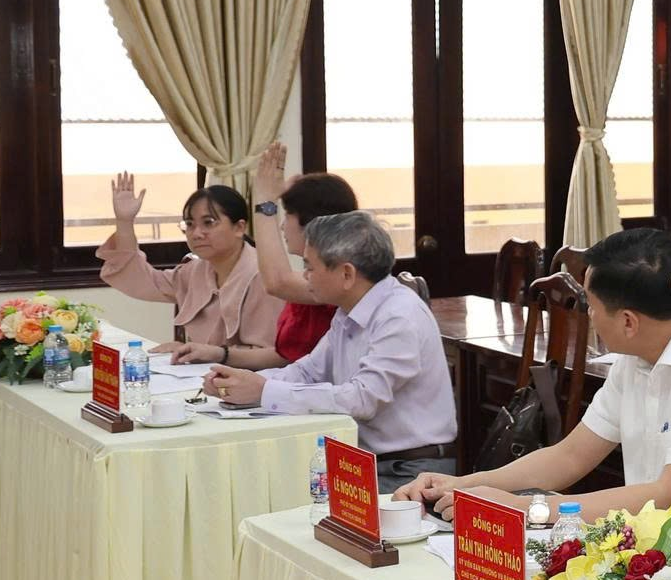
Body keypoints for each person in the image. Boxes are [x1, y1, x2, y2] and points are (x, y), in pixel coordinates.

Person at [391, 228, 671, 532]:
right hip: (649, 552)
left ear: (628, 321)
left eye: (591, 307)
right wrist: (464, 484)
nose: (589, 317)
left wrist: (524, 508)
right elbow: (571, 455)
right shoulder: (634, 357)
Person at [200, 210, 456, 492]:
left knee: (280, 496)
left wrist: (264, 391)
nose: (305, 276)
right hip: (368, 461)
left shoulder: (399, 316)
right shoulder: (350, 309)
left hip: (409, 471)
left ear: (346, 274)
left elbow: (363, 399)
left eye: (310, 267)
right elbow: (308, 371)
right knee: (264, 484)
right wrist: (243, 383)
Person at [97, 173, 282, 367]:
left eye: (208, 223)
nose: (196, 233)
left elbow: (275, 355)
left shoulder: (263, 275)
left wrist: (210, 353)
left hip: (252, 379)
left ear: (239, 228)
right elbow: (142, 280)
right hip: (204, 373)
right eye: (190, 225)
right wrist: (125, 222)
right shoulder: (196, 270)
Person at [247, 141, 358, 362]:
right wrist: (220, 355)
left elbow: (276, 282)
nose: (282, 226)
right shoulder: (312, 275)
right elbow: (290, 357)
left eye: (288, 215)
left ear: (312, 222)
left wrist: (265, 201)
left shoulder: (343, 275)